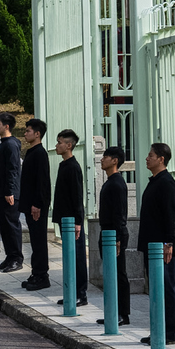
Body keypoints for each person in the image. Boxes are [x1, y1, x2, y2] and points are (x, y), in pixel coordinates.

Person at [137, 143, 175, 346]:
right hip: (151, 244)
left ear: (161, 159)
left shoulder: (166, 182)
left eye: (150, 155)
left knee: (166, 287)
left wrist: (169, 242)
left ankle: (170, 332)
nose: (147, 158)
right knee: (155, 288)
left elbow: (171, 214)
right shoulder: (154, 181)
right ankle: (157, 329)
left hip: (162, 246)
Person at [51, 129, 88, 306]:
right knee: (69, 257)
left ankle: (81, 293)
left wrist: (78, 222)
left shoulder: (73, 167)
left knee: (77, 257)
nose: (57, 146)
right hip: (64, 219)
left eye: (60, 142)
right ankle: (71, 292)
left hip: (72, 222)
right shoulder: (63, 165)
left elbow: (77, 196)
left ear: (69, 145)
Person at [96, 146, 130, 325]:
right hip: (107, 232)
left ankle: (123, 314)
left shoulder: (117, 183)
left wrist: (117, 239)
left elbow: (120, 214)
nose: (102, 160)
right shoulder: (110, 181)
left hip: (114, 235)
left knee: (118, 274)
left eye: (106, 157)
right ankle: (113, 311)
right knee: (111, 274)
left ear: (115, 160)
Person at [19, 118, 51, 290]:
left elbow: (42, 182)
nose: (25, 133)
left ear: (37, 134)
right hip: (30, 203)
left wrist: (37, 204)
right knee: (34, 240)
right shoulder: (31, 151)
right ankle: (36, 272)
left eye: (28, 131)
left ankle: (42, 276)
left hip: (36, 206)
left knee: (39, 241)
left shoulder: (40, 153)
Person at [0, 112, 23, 272]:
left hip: (8, 193)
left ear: (6, 126)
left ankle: (17, 258)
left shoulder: (10, 144)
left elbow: (13, 169)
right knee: (4, 226)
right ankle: (9, 256)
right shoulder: (3, 143)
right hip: (0, 191)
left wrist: (10, 190)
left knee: (11, 225)